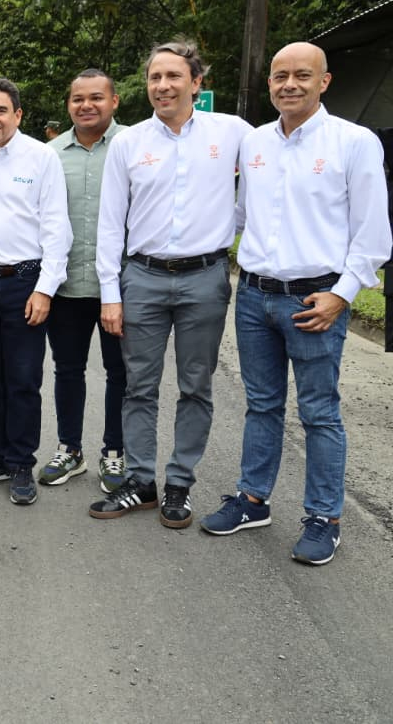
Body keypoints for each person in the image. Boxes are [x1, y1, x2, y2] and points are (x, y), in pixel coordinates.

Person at [199, 42, 391, 565]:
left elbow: (373, 235)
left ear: (323, 82)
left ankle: (323, 517)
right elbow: (238, 215)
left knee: (319, 413)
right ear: (269, 85)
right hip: (255, 294)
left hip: (315, 299)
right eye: (280, 76)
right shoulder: (256, 143)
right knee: (261, 404)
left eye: (302, 76)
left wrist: (340, 296)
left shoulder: (354, 143)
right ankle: (253, 498)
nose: (289, 84)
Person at [90, 39, 253, 528]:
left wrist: (231, 225)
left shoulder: (233, 134)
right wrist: (110, 293)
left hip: (204, 279)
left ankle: (179, 482)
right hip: (142, 278)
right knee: (138, 386)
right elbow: (109, 222)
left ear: (195, 83)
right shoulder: (129, 143)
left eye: (173, 76)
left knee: (195, 386)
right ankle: (140, 482)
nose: (163, 86)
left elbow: (266, 185)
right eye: (155, 78)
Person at [0, 78, 71, 505]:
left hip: (24, 280)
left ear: (18, 115)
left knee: (22, 378)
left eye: (0, 110)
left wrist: (45, 289)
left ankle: (21, 461)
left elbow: (57, 228)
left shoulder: (41, 159)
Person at [39, 70, 128, 493]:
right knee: (67, 369)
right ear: (68, 103)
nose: (86, 105)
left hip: (123, 287)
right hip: (68, 284)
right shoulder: (50, 155)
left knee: (121, 373)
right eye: (78, 99)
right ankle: (70, 449)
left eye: (96, 98)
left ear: (114, 101)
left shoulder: (134, 146)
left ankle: (115, 452)